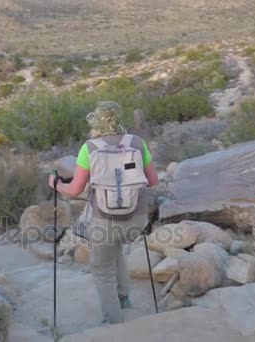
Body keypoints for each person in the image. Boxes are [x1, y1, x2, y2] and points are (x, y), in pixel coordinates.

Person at [48, 101, 158, 324]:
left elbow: (75, 190)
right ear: (120, 119)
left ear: (96, 122)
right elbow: (153, 181)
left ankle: (114, 322)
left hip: (105, 221)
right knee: (115, 245)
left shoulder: (89, 148)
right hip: (136, 220)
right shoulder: (137, 143)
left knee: (102, 270)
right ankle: (124, 298)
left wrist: (56, 185)